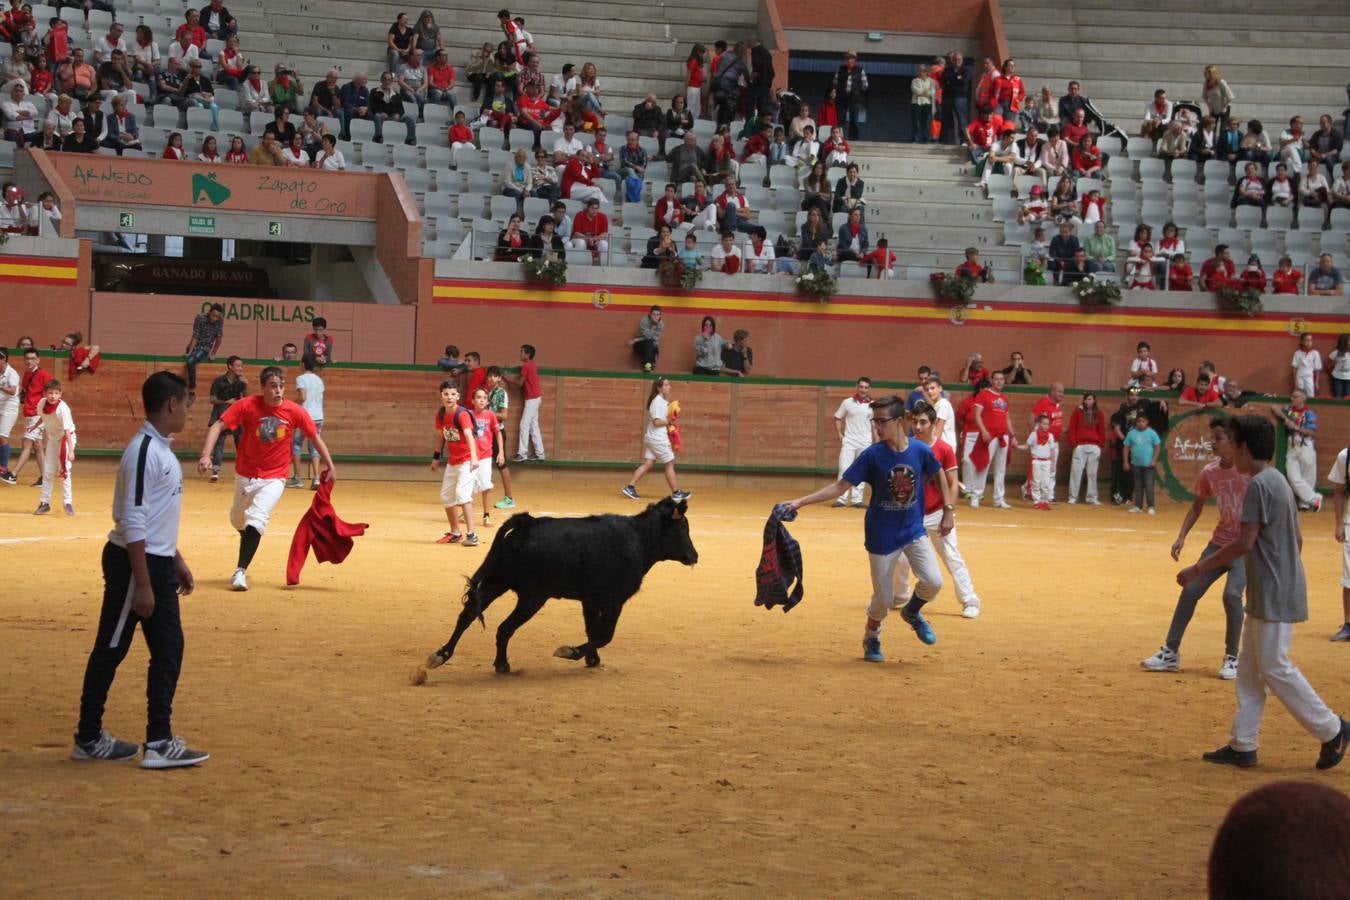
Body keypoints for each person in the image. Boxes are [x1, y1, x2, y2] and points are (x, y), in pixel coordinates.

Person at [1180, 415, 1348, 771]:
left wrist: (1198, 569)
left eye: (1232, 443)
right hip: (1271, 587)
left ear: (1242, 447)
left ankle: (1332, 728)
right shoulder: (1278, 480)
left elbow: (1244, 542)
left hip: (1271, 591)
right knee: (1251, 670)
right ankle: (1243, 744)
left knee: (1274, 666)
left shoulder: (1258, 486)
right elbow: (1296, 539)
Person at [71, 371, 207, 768]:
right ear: (170, 404)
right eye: (185, 403)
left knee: (168, 648)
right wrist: (144, 583)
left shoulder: (160, 451)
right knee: (111, 648)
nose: (186, 410)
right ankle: (90, 735)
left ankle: (159, 741)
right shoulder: (144, 451)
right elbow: (132, 519)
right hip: (136, 566)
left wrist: (174, 559)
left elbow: (154, 517)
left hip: (154, 562)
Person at [782, 393, 956, 663]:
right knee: (883, 599)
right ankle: (871, 637)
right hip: (881, 535)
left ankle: (912, 612)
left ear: (899, 421)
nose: (876, 427)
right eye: (874, 421)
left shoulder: (921, 450)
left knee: (933, 582)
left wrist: (948, 510)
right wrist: (800, 502)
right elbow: (841, 486)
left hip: (912, 529)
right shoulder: (872, 455)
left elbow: (939, 474)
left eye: (881, 421)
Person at [196, 365, 336, 591]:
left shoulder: (295, 411)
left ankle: (240, 571)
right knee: (238, 519)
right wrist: (205, 455)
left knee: (257, 518)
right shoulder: (247, 405)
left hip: (275, 477)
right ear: (263, 388)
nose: (278, 391)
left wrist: (331, 465)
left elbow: (314, 437)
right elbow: (218, 426)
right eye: (273, 386)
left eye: (281, 386)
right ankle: (246, 539)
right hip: (246, 474)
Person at [1142, 417, 1248, 680]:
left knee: (1232, 595)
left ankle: (1232, 657)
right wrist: (1182, 536)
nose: (1211, 442)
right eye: (1211, 437)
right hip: (1219, 544)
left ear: (1233, 442)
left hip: (1245, 548)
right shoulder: (1209, 472)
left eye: (1217, 438)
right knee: (1190, 590)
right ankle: (1170, 652)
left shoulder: (1250, 473)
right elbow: (1197, 505)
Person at [893, 400, 981, 618]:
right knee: (899, 557)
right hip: (913, 513)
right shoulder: (907, 446)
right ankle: (900, 594)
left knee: (951, 556)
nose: (918, 427)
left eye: (923, 422)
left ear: (933, 424)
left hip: (938, 512)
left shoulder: (944, 449)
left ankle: (970, 599)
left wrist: (948, 513)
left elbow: (953, 483)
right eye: (915, 422)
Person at [621, 377, 690, 502]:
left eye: (669, 384)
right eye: (666, 385)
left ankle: (630, 487)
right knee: (669, 463)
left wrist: (670, 421)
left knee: (648, 463)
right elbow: (657, 422)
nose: (669, 386)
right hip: (658, 438)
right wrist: (670, 421)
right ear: (659, 388)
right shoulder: (658, 402)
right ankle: (676, 492)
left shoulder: (660, 401)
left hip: (653, 437)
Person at [429, 381, 480, 546]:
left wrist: (473, 457)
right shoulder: (441, 414)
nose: (449, 397)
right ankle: (455, 532)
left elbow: (469, 436)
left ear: (458, 396)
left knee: (462, 494)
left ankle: (472, 534)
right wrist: (436, 458)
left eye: (452, 394)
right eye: (446, 394)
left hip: (466, 460)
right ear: (441, 396)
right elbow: (441, 436)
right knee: (446, 496)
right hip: (453, 461)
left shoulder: (462, 414)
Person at [967, 371, 1015, 508]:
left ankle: (999, 499)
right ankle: (976, 496)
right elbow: (977, 415)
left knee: (1001, 468)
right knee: (983, 465)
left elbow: (1007, 418)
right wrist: (983, 431)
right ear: (992, 380)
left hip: (1002, 436)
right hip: (989, 435)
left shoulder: (1005, 398)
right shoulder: (984, 395)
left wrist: (1012, 436)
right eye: (996, 379)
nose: (999, 381)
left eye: (1001, 379)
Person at [34, 378, 75, 516]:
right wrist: (34, 426)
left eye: (56, 393)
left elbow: (67, 431)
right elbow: (44, 417)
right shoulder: (41, 404)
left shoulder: (63, 409)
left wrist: (71, 451)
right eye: (50, 393)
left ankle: (67, 502)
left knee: (64, 469)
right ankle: (44, 502)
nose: (53, 396)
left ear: (60, 394)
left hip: (65, 439)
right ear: (45, 393)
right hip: (53, 440)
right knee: (48, 470)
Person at [9, 347, 49, 486]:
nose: (29, 361)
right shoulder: (26, 374)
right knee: (37, 446)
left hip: (37, 414)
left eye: (32, 358)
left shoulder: (44, 374)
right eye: (27, 358)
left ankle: (13, 474)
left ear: (38, 360)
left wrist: (44, 413)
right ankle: (45, 478)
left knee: (26, 443)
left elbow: (50, 394)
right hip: (30, 412)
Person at [833, 377, 874, 509]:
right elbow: (838, 418)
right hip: (849, 441)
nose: (863, 390)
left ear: (869, 389)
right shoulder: (847, 402)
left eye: (866, 387)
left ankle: (857, 500)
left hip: (865, 442)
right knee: (844, 468)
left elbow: (874, 424)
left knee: (862, 470)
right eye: (861, 387)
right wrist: (840, 433)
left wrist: (875, 440)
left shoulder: (872, 405)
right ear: (857, 386)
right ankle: (841, 498)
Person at [205, 355, 246, 483]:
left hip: (237, 416)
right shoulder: (218, 381)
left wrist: (246, 384)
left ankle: (243, 471)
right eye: (238, 366)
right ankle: (215, 471)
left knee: (240, 444)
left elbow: (246, 398)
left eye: (241, 366)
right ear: (230, 366)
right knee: (219, 444)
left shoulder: (241, 383)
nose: (240, 368)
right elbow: (212, 399)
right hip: (221, 414)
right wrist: (227, 401)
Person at [289, 355, 325, 491]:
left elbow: (302, 397)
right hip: (318, 416)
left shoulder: (301, 379)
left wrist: (290, 403)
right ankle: (316, 478)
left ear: (303, 364)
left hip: (305, 416)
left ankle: (297, 478)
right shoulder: (319, 380)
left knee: (296, 444)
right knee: (315, 446)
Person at [484, 367, 515, 510]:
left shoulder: (501, 393)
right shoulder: (488, 393)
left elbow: (504, 415)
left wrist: (486, 413)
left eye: (494, 376)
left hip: (497, 432)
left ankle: (509, 498)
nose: (491, 379)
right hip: (487, 432)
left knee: (501, 463)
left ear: (499, 378)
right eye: (489, 376)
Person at [1066, 392, 1105, 505]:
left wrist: (1100, 446)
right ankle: (1073, 497)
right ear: (1083, 400)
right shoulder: (1077, 412)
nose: (1088, 401)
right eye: (1086, 399)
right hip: (1080, 445)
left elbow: (1101, 431)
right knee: (1075, 472)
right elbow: (1072, 428)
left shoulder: (1099, 414)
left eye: (1090, 399)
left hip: (1094, 446)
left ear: (1094, 401)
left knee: (1092, 473)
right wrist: (1074, 444)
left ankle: (1092, 497)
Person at [508, 343, 544, 462]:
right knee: (533, 426)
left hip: (532, 399)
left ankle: (522, 454)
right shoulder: (531, 364)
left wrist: (506, 379)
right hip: (535, 398)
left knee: (524, 425)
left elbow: (519, 384)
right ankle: (540, 453)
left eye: (522, 352)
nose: (520, 354)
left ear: (527, 354)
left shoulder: (527, 366)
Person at [182, 303, 223, 402]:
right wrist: (190, 351)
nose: (215, 318)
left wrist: (213, 353)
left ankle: (192, 389)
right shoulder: (200, 318)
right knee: (189, 356)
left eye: (217, 316)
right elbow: (195, 335)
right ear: (209, 312)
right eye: (213, 315)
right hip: (196, 343)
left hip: (205, 346)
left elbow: (219, 339)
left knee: (190, 362)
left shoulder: (220, 321)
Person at [1123, 411, 1161, 514]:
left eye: (1143, 421)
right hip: (1136, 465)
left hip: (1149, 465)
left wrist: (1153, 460)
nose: (1141, 423)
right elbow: (1126, 447)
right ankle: (1138, 507)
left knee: (1149, 486)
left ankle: (1151, 506)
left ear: (1147, 422)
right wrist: (1126, 462)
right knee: (1138, 486)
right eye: (1139, 421)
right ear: (1136, 422)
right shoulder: (1131, 433)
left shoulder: (1152, 433)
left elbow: (1157, 447)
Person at [1021, 413, 1056, 510]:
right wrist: (1018, 447)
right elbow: (1027, 446)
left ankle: (1044, 501)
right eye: (1044, 424)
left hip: (1046, 461)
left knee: (1046, 482)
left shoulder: (1050, 436)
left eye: (1048, 424)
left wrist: (1053, 463)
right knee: (1036, 481)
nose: (1046, 426)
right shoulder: (1033, 435)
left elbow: (1052, 451)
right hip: (1036, 460)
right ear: (1039, 424)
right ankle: (1037, 501)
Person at [626, 305, 663, 373]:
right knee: (649, 341)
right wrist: (653, 327)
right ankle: (648, 364)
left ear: (660, 316)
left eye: (658, 315)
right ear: (650, 314)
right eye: (654, 314)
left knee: (654, 347)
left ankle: (649, 364)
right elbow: (647, 337)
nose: (656, 316)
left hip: (649, 345)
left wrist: (634, 340)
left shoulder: (661, 324)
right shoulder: (644, 321)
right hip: (639, 345)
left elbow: (655, 339)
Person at [0, 347, 18, 483]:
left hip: (9, 408)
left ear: (4, 360)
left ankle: (4, 468)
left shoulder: (12, 373)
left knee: (2, 436)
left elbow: (12, 391)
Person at [1290, 331, 1321, 396]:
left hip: (1309, 377)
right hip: (1299, 377)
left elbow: (1317, 368)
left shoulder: (1315, 353)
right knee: (1299, 395)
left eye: (1310, 340)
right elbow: (1294, 368)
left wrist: (1316, 382)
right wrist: (1296, 382)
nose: (1309, 342)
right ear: (1302, 341)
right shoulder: (1297, 353)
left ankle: (1309, 406)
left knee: (1310, 395)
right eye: (1307, 340)